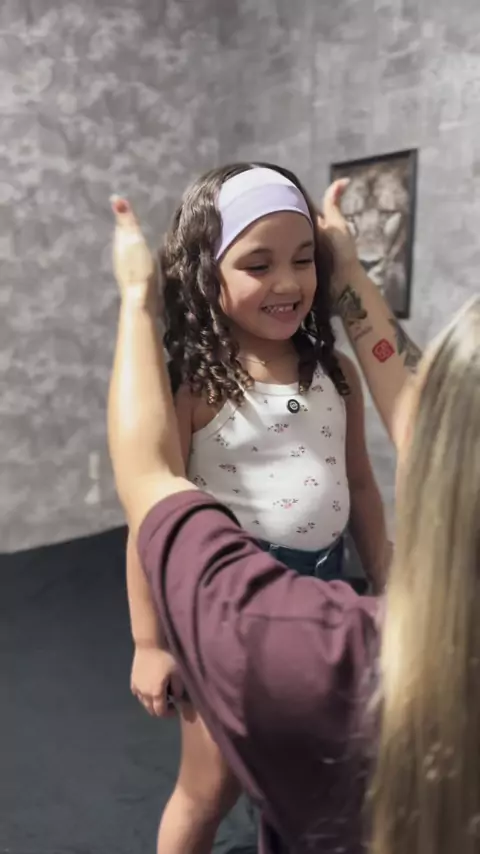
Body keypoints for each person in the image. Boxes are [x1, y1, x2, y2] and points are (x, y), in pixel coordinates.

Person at [109, 186, 480, 854]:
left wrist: (384, 568)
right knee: (204, 791)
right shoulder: (197, 388)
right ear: (205, 276)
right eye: (259, 264)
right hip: (229, 593)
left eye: (305, 259)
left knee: (314, 774)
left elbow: (359, 483)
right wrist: (148, 641)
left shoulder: (338, 376)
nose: (286, 282)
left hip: (327, 579)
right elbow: (152, 530)